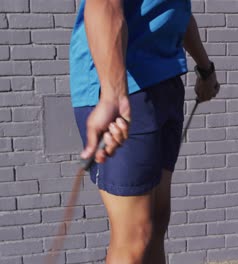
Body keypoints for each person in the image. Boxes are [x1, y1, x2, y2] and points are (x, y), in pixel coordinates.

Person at [69, 0, 219, 263]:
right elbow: (103, 5)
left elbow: (177, 13)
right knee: (135, 236)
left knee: (158, 218)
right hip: (124, 89)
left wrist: (205, 70)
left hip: (166, 83)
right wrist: (114, 94)